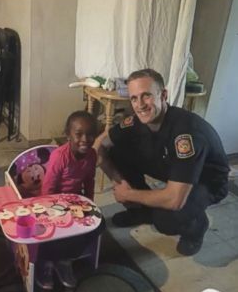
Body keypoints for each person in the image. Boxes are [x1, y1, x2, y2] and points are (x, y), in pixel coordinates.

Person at [96, 68, 229, 256]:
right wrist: (117, 178)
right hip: (174, 169)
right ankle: (141, 212)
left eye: (146, 96)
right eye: (134, 98)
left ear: (163, 95)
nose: (140, 105)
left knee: (166, 219)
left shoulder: (186, 134)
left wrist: (129, 194)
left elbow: (174, 200)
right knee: (117, 151)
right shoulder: (136, 121)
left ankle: (196, 227)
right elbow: (100, 145)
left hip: (205, 181)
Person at [35, 110, 105, 290]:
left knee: (98, 225)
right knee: (55, 232)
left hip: (76, 202)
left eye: (90, 134)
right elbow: (48, 188)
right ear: (68, 135)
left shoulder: (91, 155)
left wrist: (90, 207)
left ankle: (64, 261)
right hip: (54, 203)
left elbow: (89, 181)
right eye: (78, 134)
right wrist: (51, 214)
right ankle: (47, 263)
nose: (85, 139)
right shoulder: (60, 156)